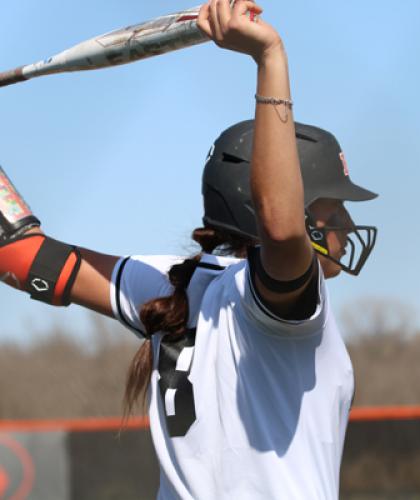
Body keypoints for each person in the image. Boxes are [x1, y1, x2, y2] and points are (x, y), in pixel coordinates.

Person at [0, 0, 378, 498]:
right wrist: (270, 60)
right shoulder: (278, 308)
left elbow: (20, 254)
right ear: (274, 202)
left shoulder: (171, 282)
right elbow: (282, 233)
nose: (347, 224)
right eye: (332, 208)